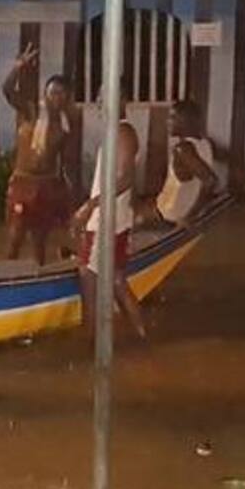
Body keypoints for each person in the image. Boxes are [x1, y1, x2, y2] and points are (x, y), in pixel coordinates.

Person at [71, 84, 147, 342]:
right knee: (116, 283)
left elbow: (125, 178)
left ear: (121, 99)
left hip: (104, 222)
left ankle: (89, 352)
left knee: (89, 286)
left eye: (104, 98)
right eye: (99, 98)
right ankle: (143, 340)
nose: (99, 103)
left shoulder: (123, 132)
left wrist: (89, 206)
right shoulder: (121, 131)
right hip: (116, 220)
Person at [2, 43, 76, 265]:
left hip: (45, 186)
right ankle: (6, 281)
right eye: (52, 92)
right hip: (22, 182)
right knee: (15, 235)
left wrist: (67, 195)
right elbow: (7, 90)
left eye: (61, 94)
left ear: (67, 98)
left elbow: (64, 163)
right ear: (46, 93)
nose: (55, 97)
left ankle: (38, 280)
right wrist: (18, 67)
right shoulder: (30, 111)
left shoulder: (64, 127)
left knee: (39, 240)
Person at [136, 99, 220, 228]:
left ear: (186, 120)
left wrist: (190, 217)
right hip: (174, 207)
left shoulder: (183, 149)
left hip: (171, 214)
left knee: (127, 218)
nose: (167, 121)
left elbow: (210, 180)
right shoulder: (204, 143)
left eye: (172, 117)